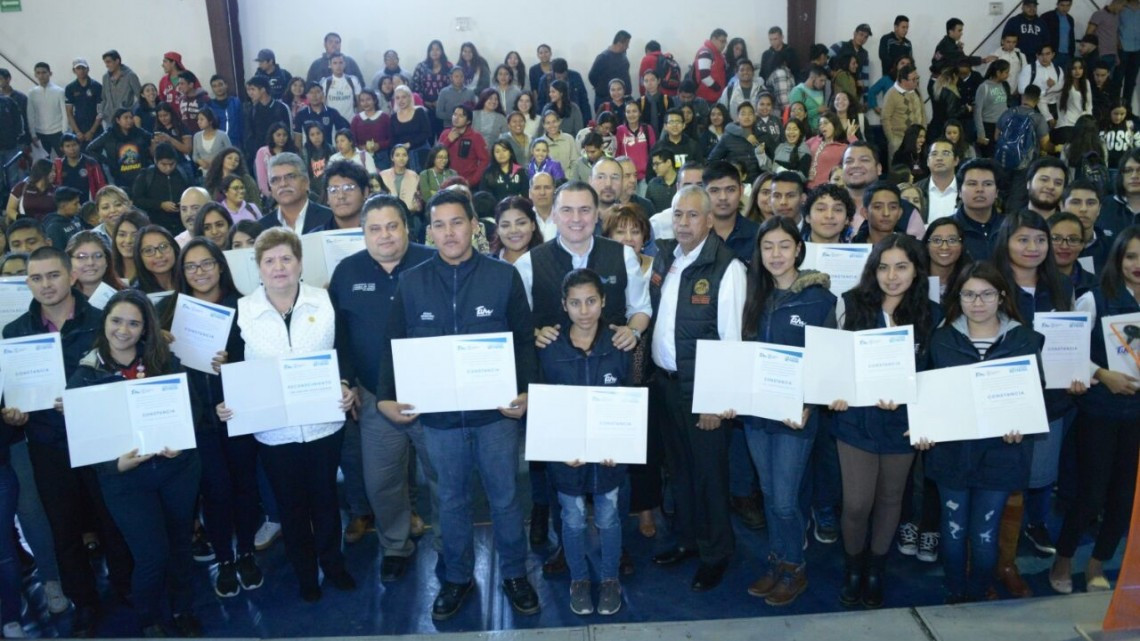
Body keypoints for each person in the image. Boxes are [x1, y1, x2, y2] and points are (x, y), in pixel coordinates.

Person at [376, 189, 539, 620]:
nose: (449, 233)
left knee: (505, 499)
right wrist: (386, 398)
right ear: (428, 230)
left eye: (457, 222)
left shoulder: (503, 277)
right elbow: (394, 343)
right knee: (449, 501)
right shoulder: (412, 282)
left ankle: (516, 574)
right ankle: (456, 577)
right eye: (439, 224)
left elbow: (524, 339)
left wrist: (526, 391)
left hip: (496, 417)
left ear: (474, 227)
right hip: (440, 421)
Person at [218, 226, 357, 603]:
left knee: (326, 500)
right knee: (291, 507)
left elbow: (344, 352)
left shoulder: (325, 301)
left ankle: (334, 564)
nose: (278, 267)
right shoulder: (242, 311)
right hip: (274, 433)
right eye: (269, 260)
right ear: (258, 267)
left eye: (286, 258)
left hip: (324, 424)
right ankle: (305, 574)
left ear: (299, 263)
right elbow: (229, 367)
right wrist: (227, 401)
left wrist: (346, 385)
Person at [2, 246, 131, 636]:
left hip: (99, 440)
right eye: (36, 278)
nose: (46, 285)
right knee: (64, 529)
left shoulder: (101, 323)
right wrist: (12, 413)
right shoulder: (14, 333)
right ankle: (85, 602)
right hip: (48, 445)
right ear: (28, 283)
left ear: (72, 276)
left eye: (53, 275)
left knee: (114, 521)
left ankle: (127, 590)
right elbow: (11, 397)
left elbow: (121, 377)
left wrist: (87, 397)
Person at [64, 288, 202, 637]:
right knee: (152, 555)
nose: (123, 330)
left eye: (134, 323)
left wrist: (180, 447)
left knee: (180, 546)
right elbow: (84, 445)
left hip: (176, 472)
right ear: (104, 322)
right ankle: (149, 618)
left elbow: (194, 410)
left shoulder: (164, 361)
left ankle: (183, 608)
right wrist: (116, 466)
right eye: (116, 320)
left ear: (145, 329)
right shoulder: (85, 375)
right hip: (126, 482)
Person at [326, 193, 437, 583]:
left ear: (408, 227)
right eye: (374, 228)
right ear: (363, 233)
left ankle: (452, 547)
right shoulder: (346, 273)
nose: (384, 235)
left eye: (393, 226)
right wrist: (346, 379)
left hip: (434, 397)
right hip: (375, 397)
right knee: (382, 481)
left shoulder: (434, 260)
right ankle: (395, 545)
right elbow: (338, 337)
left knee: (444, 477)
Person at [917, 262, 1040, 603]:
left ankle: (977, 592)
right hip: (950, 453)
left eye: (987, 294)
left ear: (1002, 297)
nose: (978, 302)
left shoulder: (1024, 339)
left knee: (985, 534)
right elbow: (925, 390)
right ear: (958, 298)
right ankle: (957, 592)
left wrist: (1022, 425)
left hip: (1001, 455)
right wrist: (925, 428)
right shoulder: (942, 338)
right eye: (969, 294)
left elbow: (1035, 393)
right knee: (953, 531)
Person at [828, 234, 939, 609]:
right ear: (872, 270)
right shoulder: (849, 304)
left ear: (916, 270)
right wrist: (834, 391)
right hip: (855, 420)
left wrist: (924, 416)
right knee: (857, 503)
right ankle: (853, 565)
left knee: (891, 499)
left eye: (902, 267)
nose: (892, 276)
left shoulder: (932, 313)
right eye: (884, 267)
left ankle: (876, 567)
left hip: (902, 424)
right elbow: (829, 361)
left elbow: (937, 372)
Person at [648, 185, 746, 592]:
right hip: (668, 385)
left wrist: (716, 400)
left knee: (709, 476)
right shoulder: (670, 258)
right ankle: (688, 541)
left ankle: (716, 553)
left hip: (702, 391)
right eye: (678, 215)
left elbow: (733, 341)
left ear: (709, 220)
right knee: (681, 472)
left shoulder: (728, 268)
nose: (683, 223)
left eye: (692, 216)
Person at [741, 216, 836, 606]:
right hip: (756, 414)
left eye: (784, 246)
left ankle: (794, 567)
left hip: (797, 417)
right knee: (768, 493)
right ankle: (777, 560)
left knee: (784, 500)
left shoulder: (821, 300)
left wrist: (809, 403)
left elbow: (828, 363)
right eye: (768, 247)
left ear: (799, 248)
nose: (776, 254)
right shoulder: (753, 293)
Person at [989, 211, 1078, 598]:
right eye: (1022, 240)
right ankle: (988, 563)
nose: (1033, 248)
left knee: (1030, 484)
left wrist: (1079, 371)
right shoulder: (989, 283)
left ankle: (1006, 562)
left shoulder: (1059, 286)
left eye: (1040, 240)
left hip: (1050, 401)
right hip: (1000, 399)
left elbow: (1071, 342)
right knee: (998, 486)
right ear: (1006, 241)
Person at [1052, 227, 1140, 594]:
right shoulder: (1094, 298)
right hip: (1099, 412)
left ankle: (1097, 563)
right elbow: (1067, 351)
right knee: (1090, 493)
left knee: (1124, 497)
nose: (1138, 265)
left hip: (1136, 417)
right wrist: (1103, 375)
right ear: (1118, 258)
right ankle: (1063, 559)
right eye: (1132, 256)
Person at [541, 268, 631, 616]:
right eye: (575, 302)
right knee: (574, 518)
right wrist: (559, 448)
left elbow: (631, 402)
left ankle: (609, 579)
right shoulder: (548, 347)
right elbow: (543, 405)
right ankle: (578, 578)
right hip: (565, 459)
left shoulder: (620, 345)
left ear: (603, 301)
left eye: (591, 301)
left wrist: (619, 444)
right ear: (564, 305)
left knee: (609, 517)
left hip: (609, 458)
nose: (584, 310)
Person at [259, 152, 334, 233]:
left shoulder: (330, 218)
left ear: (306, 182)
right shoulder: (262, 227)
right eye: (275, 180)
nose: (283, 184)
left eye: (291, 177)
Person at [133, 143, 192, 233]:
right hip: (156, 225)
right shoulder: (146, 175)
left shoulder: (183, 173)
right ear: (156, 161)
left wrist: (184, 202)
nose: (168, 168)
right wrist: (160, 205)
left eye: (171, 164)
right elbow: (137, 200)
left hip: (182, 225)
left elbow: (192, 192)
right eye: (164, 164)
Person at [88, 108, 152, 190]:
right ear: (118, 120)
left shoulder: (138, 132)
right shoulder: (109, 134)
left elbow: (152, 138)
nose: (129, 120)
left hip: (140, 175)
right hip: (119, 176)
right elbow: (90, 149)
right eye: (126, 118)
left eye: (131, 117)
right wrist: (107, 161)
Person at [241, 76, 292, 166]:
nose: (250, 93)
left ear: (263, 90)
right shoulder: (252, 110)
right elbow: (250, 135)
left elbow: (289, 133)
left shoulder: (281, 107)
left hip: (280, 154)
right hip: (260, 156)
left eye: (253, 89)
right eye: (248, 90)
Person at [924, 218, 973, 300]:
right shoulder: (913, 281)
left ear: (962, 246)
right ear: (927, 245)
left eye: (952, 240)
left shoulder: (971, 282)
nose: (944, 247)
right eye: (937, 240)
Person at [27, 62, 69, 157]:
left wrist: (64, 131)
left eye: (44, 72)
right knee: (44, 164)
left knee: (65, 159)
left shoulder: (59, 91)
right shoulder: (32, 93)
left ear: (50, 73)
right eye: (38, 73)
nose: (41, 75)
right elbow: (30, 114)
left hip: (58, 132)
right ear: (35, 74)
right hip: (40, 133)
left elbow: (65, 113)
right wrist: (33, 134)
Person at [412, 40, 454, 133]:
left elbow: (452, 86)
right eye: (432, 49)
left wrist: (440, 101)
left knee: (443, 137)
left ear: (442, 51)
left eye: (437, 49)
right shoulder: (421, 66)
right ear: (428, 52)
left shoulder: (448, 67)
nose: (434, 52)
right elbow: (415, 86)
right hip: (424, 107)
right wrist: (425, 102)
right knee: (427, 135)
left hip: (444, 108)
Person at [807, 113, 858, 189]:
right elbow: (799, 148)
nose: (822, 126)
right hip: (808, 187)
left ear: (835, 124)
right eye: (820, 124)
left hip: (828, 188)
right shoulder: (814, 140)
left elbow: (859, 153)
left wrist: (851, 137)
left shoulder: (843, 147)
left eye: (826, 123)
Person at [491, 196, 542, 263]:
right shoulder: (487, 265)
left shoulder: (549, 261)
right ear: (498, 229)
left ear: (533, 225)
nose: (513, 230)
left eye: (521, 223)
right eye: (505, 225)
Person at [99, 50, 141, 130]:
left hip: (125, 120)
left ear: (117, 61)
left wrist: (131, 111)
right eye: (105, 63)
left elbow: (140, 97)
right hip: (109, 119)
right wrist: (101, 112)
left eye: (109, 62)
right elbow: (103, 98)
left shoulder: (130, 76)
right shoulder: (105, 77)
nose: (106, 65)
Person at [65, 59, 102, 146]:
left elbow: (101, 112)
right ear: (74, 71)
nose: (81, 70)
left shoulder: (97, 86)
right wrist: (77, 132)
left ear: (88, 69)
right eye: (78, 68)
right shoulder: (70, 88)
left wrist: (92, 132)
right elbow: (69, 113)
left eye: (83, 68)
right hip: (78, 129)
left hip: (95, 128)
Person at [787, 66, 828, 131]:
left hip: (821, 131)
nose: (823, 83)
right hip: (804, 132)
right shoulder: (798, 91)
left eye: (824, 81)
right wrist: (817, 110)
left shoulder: (820, 91)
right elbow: (795, 116)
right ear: (812, 77)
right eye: (821, 80)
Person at [693, 29, 729, 103]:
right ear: (713, 39)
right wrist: (718, 88)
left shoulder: (717, 54)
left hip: (715, 96)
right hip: (706, 97)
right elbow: (704, 76)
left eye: (725, 42)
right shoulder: (705, 52)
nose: (724, 45)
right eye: (722, 41)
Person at [192, 109, 231, 176]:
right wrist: (200, 161)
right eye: (198, 119)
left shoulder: (222, 135)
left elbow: (230, 153)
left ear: (210, 121)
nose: (198, 122)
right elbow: (195, 155)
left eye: (202, 119)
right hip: (204, 173)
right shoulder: (197, 136)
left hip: (221, 172)